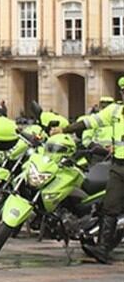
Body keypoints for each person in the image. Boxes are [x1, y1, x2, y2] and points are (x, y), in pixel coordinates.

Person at [53, 77, 124, 264]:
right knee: (110, 207)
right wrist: (65, 130)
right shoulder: (115, 111)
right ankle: (102, 249)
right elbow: (90, 122)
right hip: (118, 166)